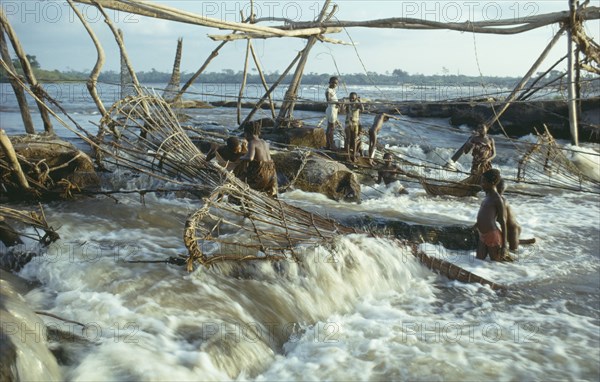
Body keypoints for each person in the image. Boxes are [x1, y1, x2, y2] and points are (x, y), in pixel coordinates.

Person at [475, 169, 513, 262]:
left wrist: (504, 246)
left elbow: (503, 222)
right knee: (478, 262)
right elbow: (484, 215)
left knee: (497, 264)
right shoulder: (487, 196)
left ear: (492, 183)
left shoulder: (497, 199)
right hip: (482, 235)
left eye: (483, 182)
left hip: (492, 236)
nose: (481, 184)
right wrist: (476, 225)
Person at [233, 121, 278, 197]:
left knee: (237, 183)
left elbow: (250, 158)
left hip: (260, 175)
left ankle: (244, 204)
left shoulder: (252, 142)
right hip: (272, 174)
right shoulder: (264, 142)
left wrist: (241, 157)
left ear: (247, 133)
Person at [343, 92, 364, 161]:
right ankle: (347, 156)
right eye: (350, 98)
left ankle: (354, 155)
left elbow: (362, 109)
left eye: (353, 98)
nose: (352, 99)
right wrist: (344, 103)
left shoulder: (357, 105)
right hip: (348, 123)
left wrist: (359, 101)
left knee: (355, 140)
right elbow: (342, 110)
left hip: (355, 123)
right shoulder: (348, 104)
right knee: (348, 139)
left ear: (356, 98)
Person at [325, 76, 340, 150]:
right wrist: (337, 102)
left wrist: (337, 103)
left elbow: (333, 100)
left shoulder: (333, 90)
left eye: (336, 83)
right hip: (331, 110)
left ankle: (328, 144)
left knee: (329, 128)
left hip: (334, 110)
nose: (334, 84)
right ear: (329, 82)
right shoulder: (328, 90)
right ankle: (331, 144)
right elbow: (328, 100)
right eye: (333, 83)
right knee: (332, 128)